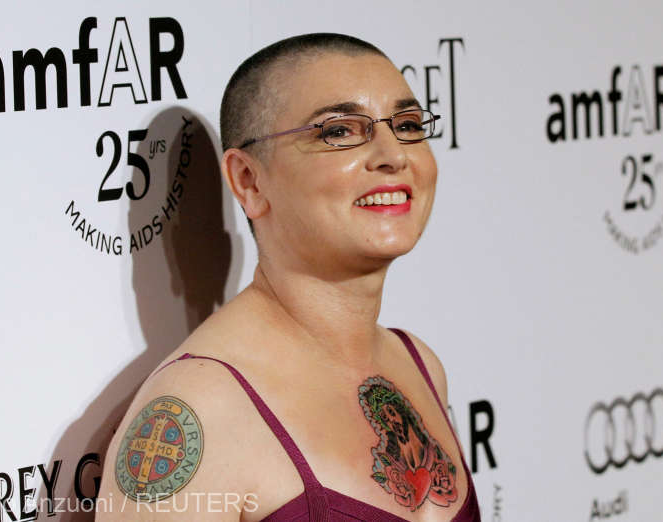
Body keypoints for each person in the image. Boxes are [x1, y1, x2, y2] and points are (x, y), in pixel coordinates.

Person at [96, 33, 480, 521]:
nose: (393, 155)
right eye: (339, 131)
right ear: (249, 181)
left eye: (407, 125)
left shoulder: (419, 363)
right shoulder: (195, 410)